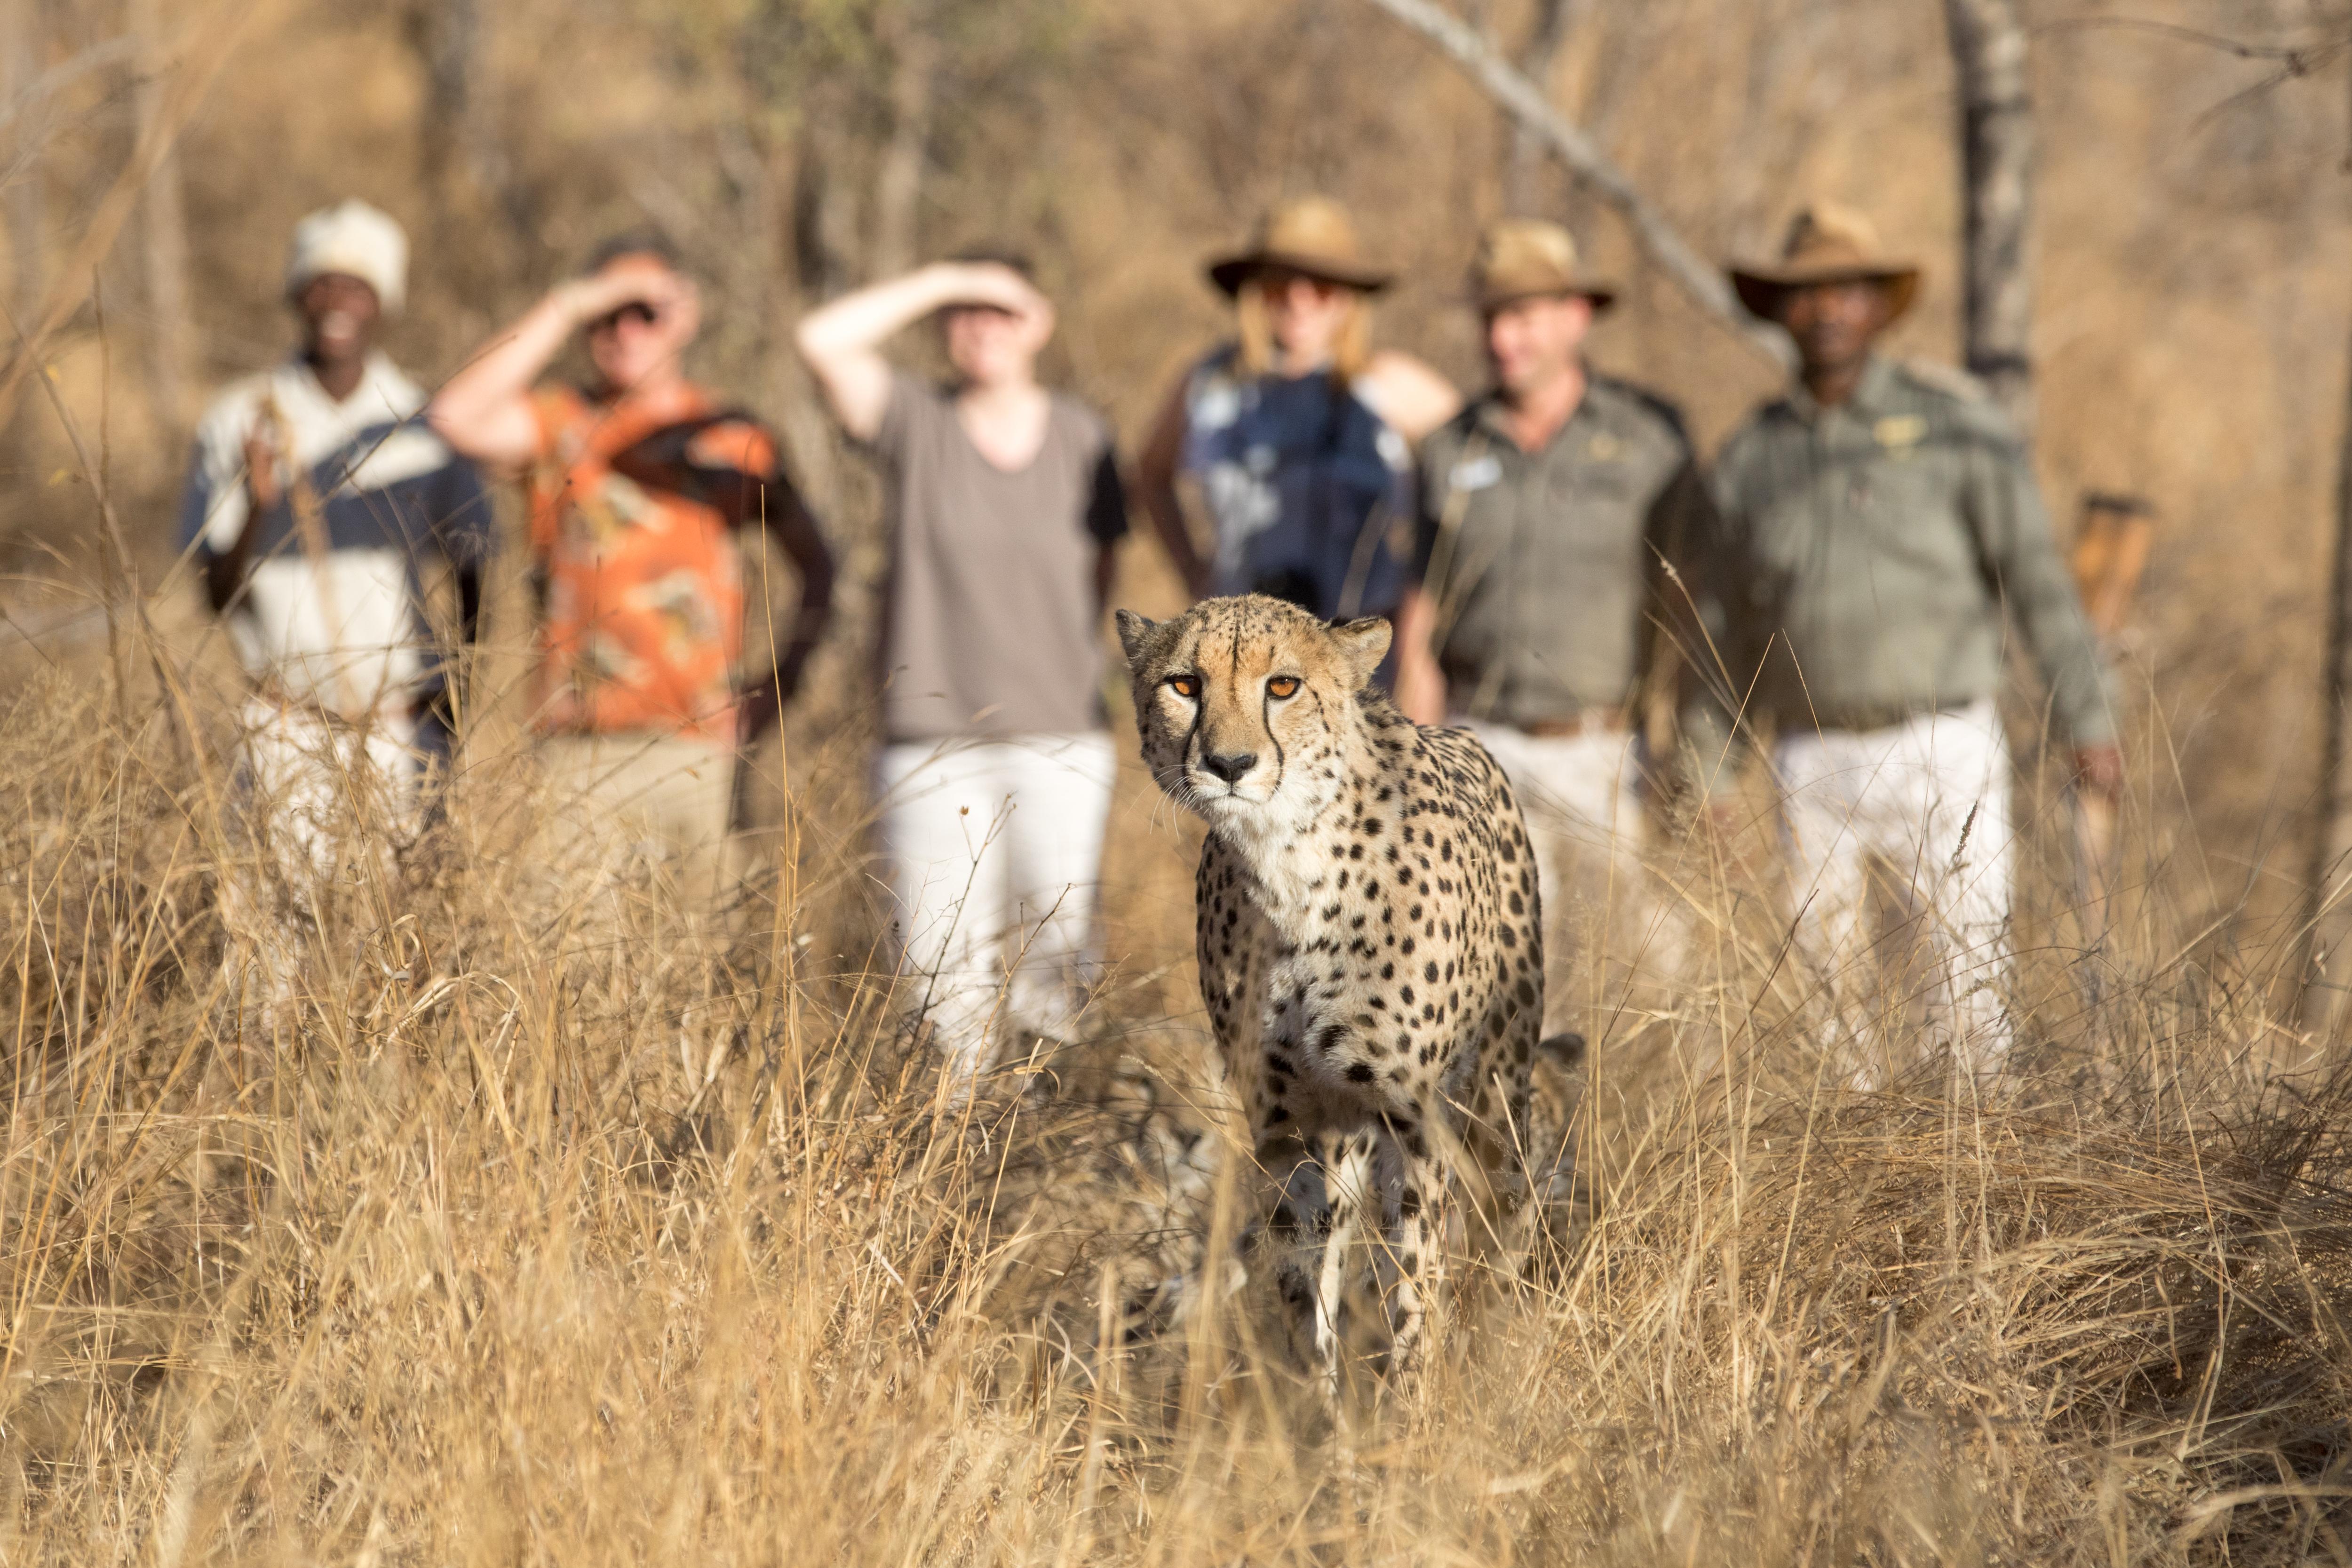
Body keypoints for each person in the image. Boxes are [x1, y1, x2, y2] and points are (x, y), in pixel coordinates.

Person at [1710, 200, 2123, 1075]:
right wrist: (1712, 770)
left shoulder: (1952, 423)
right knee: (1830, 1017)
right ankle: (1848, 1205)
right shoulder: (1754, 456)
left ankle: (1980, 1190)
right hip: (1809, 759)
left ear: (1877, 305)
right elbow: (1729, 626)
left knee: (1969, 998)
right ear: (1781, 310)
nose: (1826, 309)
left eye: (1847, 290)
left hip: (1943, 743)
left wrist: (2087, 712)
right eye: (1807, 293)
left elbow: (2035, 574)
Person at [794, 254, 1127, 1088]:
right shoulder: (915, 418)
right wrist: (948, 278)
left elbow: (1104, 576)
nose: (983, 327)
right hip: (929, 744)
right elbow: (819, 339)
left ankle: (1047, 1148)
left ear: (1040, 321)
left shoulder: (1085, 436)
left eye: (1003, 310)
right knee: (940, 973)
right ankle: (955, 1159)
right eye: (965, 313)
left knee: (1058, 961)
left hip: (1063, 738)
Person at [428, 232, 835, 909]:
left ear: (686, 314)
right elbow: (453, 415)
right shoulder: (559, 421)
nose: (624, 329)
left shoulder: (734, 435)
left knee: (702, 974)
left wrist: (777, 689)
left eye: (644, 309)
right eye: (605, 315)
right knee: (575, 980)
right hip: (577, 752)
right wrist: (566, 302)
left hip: (701, 749)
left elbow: (818, 566)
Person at [1389, 219, 1718, 1025]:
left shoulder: (1650, 438)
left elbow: (1693, 603)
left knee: (1641, 978)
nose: (1505, 338)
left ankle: (1640, 1136)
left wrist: (1685, 750)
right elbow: (1423, 611)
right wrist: (1416, 761)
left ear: (1576, 315)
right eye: (1492, 318)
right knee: (1488, 977)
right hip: (1481, 746)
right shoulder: (1447, 449)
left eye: (1526, 316)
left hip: (1606, 750)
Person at [181, 199, 490, 996]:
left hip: (398, 728)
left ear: (383, 301)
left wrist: (455, 703)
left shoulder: (426, 425)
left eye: (356, 286)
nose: (337, 302)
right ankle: (269, 1109)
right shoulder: (240, 417)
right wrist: (257, 498)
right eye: (321, 285)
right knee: (270, 949)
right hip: (285, 722)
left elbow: (474, 569)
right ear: (296, 295)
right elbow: (213, 592)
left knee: (389, 949)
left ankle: (376, 1114)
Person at [1136, 195, 1457, 640]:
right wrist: (1193, 570)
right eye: (1278, 286)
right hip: (1242, 647)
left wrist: (1426, 603)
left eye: (1322, 287)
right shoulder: (1209, 385)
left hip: (1357, 647)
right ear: (1253, 292)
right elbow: (1150, 472)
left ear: (1348, 300)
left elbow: (1484, 469)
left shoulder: (1388, 384)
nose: (1299, 301)